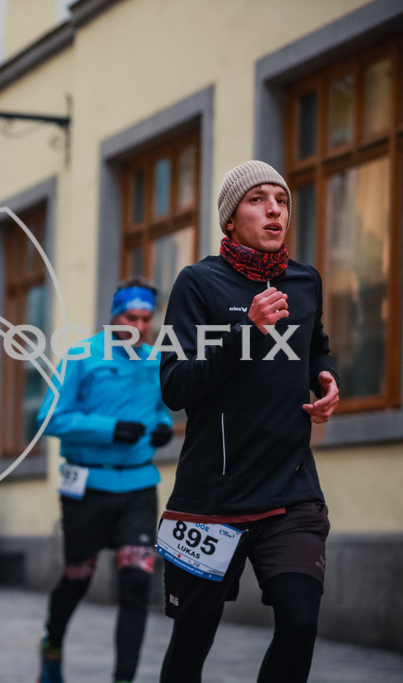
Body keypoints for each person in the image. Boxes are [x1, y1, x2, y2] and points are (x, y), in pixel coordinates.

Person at [157, 161, 338, 683]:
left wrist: (325, 379)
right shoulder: (197, 284)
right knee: (193, 635)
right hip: (214, 496)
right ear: (230, 219)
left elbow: (316, 348)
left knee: (300, 620)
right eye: (257, 199)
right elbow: (175, 387)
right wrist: (249, 331)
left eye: (280, 199)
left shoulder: (305, 282)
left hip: (291, 488)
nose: (274, 209)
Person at [36, 278, 173, 683]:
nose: (140, 325)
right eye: (131, 316)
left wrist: (164, 425)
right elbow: (48, 417)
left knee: (136, 584)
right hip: (88, 487)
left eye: (147, 318)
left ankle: (124, 678)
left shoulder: (155, 360)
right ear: (114, 316)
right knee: (78, 576)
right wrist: (108, 429)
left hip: (138, 486)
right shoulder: (82, 356)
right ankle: (52, 644)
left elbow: (158, 410)